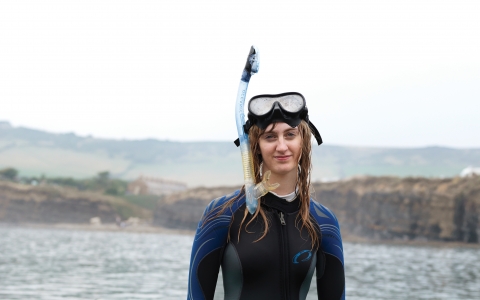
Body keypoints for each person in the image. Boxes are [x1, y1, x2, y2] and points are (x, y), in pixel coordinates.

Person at [187, 92, 345, 300]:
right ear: (256, 145)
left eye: (290, 135)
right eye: (270, 137)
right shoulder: (223, 214)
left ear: (303, 141)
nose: (281, 146)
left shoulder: (323, 221)